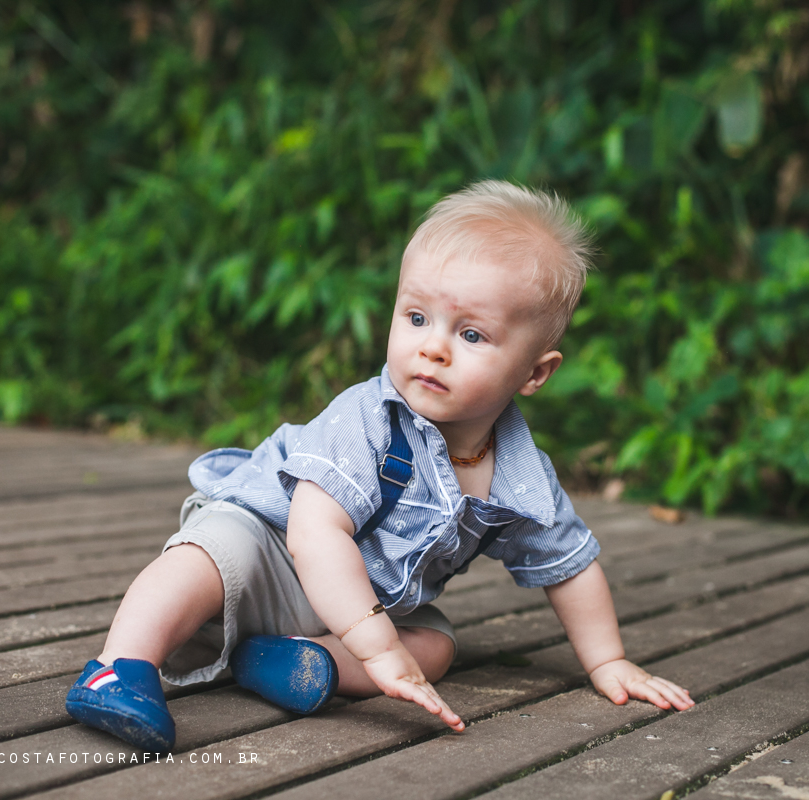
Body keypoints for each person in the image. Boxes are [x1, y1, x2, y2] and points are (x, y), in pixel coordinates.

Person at [65, 180, 694, 752]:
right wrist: (376, 644)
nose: (433, 347)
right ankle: (120, 665)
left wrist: (608, 661)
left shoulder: (519, 476)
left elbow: (570, 566)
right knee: (208, 552)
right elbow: (315, 531)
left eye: (471, 335)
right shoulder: (368, 417)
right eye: (416, 317)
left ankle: (301, 661)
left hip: (361, 603)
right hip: (276, 550)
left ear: (535, 372)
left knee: (436, 645)